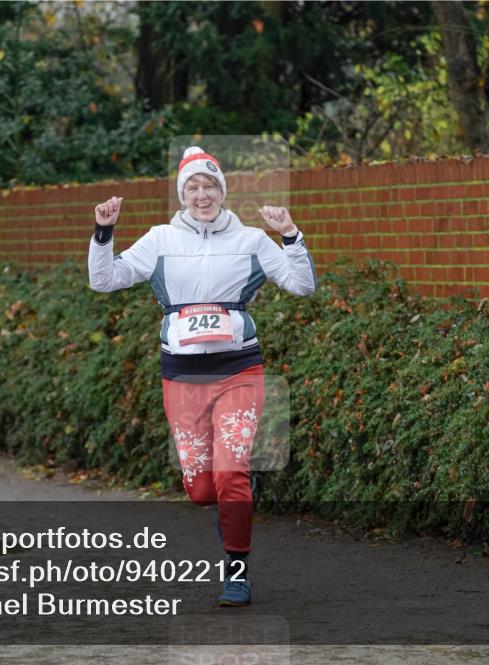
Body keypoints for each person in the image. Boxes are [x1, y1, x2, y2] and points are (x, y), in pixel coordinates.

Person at [89, 146, 316, 606]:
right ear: (182, 196)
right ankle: (238, 488)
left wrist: (290, 234)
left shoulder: (251, 240)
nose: (201, 194)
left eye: (209, 185)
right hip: (183, 375)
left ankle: (236, 572)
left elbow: (302, 284)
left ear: (222, 192)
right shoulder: (159, 240)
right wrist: (104, 231)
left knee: (229, 474)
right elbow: (104, 279)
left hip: (239, 369)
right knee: (200, 489)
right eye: (192, 187)